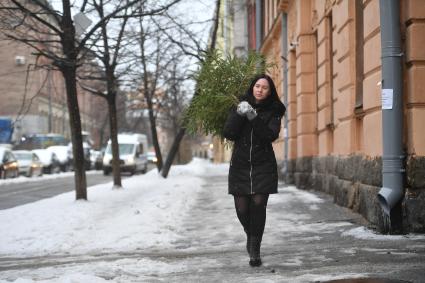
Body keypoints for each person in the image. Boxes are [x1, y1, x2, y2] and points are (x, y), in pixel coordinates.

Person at [223, 74, 286, 267]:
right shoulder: (239, 106)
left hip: (263, 166)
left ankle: (255, 251)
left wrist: (252, 115)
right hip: (240, 166)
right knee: (242, 210)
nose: (260, 90)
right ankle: (251, 236)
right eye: (257, 86)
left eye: (264, 87)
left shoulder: (275, 110)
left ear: (270, 91)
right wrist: (239, 114)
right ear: (252, 88)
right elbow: (229, 133)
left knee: (258, 206)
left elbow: (269, 135)